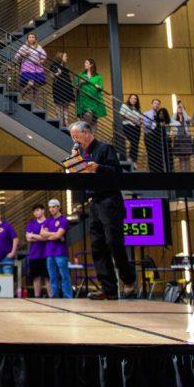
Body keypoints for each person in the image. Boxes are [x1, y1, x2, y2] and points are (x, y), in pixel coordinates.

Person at [69, 121, 137, 299]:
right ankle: (108, 288)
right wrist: (74, 161)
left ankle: (128, 280)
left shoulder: (105, 148)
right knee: (97, 247)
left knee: (114, 243)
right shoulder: (83, 153)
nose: (75, 141)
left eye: (76, 136)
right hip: (94, 202)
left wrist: (98, 167)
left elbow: (117, 172)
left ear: (86, 133)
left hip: (109, 200)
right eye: (72, 138)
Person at [41, 198, 71, 299]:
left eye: (53, 207)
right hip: (49, 253)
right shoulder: (48, 221)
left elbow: (58, 235)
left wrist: (52, 235)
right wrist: (55, 234)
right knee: (52, 277)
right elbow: (42, 234)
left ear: (59, 207)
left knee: (64, 277)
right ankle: (55, 297)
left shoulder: (64, 220)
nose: (51, 209)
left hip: (61, 253)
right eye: (50, 207)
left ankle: (68, 297)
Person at [24, 203, 50, 298]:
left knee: (48, 277)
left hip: (46, 254)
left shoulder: (48, 222)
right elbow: (28, 238)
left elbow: (46, 238)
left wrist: (33, 235)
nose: (36, 212)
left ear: (43, 210)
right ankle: (37, 297)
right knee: (36, 277)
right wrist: (40, 236)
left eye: (38, 210)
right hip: (34, 255)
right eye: (34, 211)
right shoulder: (31, 223)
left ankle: (51, 297)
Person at [15, 33, 48, 108]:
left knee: (36, 87)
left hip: (37, 67)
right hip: (28, 66)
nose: (31, 38)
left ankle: (34, 105)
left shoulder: (38, 47)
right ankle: (21, 95)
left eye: (33, 37)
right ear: (27, 39)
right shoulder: (24, 46)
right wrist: (23, 54)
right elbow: (16, 56)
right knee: (30, 83)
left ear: (35, 39)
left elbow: (44, 56)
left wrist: (41, 61)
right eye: (30, 37)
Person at [143, 99, 171, 173]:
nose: (156, 105)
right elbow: (146, 125)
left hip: (159, 139)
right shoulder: (146, 113)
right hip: (149, 136)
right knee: (151, 155)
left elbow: (170, 122)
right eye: (155, 103)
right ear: (152, 104)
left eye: (158, 103)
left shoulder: (161, 113)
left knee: (160, 156)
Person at [74, 59, 105, 124]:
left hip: (94, 101)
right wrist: (81, 82)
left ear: (91, 65)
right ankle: (86, 131)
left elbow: (101, 88)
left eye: (86, 63)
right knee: (87, 117)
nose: (85, 64)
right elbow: (75, 87)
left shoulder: (98, 77)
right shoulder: (81, 75)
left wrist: (98, 87)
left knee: (93, 121)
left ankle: (90, 133)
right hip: (83, 101)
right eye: (85, 63)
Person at [119, 94, 144, 168]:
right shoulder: (125, 106)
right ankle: (130, 159)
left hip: (137, 127)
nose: (133, 100)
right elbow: (121, 115)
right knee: (133, 142)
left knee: (136, 144)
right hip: (127, 126)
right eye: (132, 98)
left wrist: (140, 121)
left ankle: (134, 161)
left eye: (135, 99)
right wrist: (131, 119)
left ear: (137, 100)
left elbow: (141, 119)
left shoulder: (138, 109)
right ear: (129, 99)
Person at [50, 51, 75, 128]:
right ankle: (60, 121)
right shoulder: (54, 66)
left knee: (66, 105)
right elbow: (51, 76)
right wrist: (57, 74)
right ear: (60, 57)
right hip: (58, 87)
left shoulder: (64, 67)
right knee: (58, 104)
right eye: (65, 56)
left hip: (66, 87)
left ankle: (66, 122)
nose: (66, 58)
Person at [171, 101, 194, 172]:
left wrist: (183, 110)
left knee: (187, 157)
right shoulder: (174, 117)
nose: (180, 109)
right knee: (180, 157)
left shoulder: (187, 117)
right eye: (179, 107)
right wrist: (178, 109)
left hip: (186, 138)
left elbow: (191, 120)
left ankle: (188, 171)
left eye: (182, 108)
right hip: (178, 138)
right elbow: (171, 120)